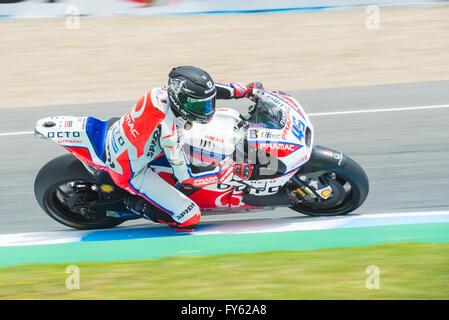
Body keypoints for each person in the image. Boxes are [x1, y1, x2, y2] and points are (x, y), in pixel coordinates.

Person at [104, 66, 263, 232]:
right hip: (129, 170)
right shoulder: (169, 133)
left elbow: (209, 90)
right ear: (180, 100)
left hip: (129, 140)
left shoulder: (163, 94)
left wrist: (245, 90)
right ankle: (137, 205)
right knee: (189, 218)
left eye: (207, 104)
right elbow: (187, 178)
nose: (207, 110)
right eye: (200, 106)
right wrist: (226, 171)